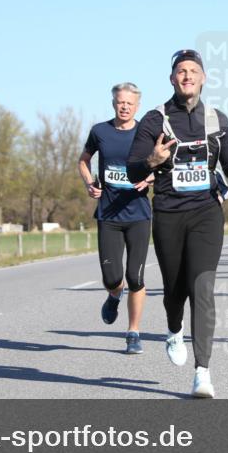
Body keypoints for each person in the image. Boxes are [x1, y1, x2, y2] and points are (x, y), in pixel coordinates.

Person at [126, 49, 228, 398]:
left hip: (205, 213)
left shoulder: (217, 120)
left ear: (203, 78)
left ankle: (203, 372)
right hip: (168, 212)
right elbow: (133, 170)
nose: (187, 76)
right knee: (174, 290)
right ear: (172, 79)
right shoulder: (154, 120)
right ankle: (173, 328)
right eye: (181, 71)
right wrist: (152, 160)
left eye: (193, 71)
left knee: (202, 288)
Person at [79, 82, 154, 355]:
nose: (124, 107)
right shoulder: (100, 131)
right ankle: (113, 295)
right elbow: (83, 160)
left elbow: (163, 165)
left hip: (139, 215)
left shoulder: (146, 134)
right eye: (120, 102)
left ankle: (133, 332)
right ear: (113, 103)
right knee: (113, 278)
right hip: (109, 215)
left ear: (137, 106)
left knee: (135, 277)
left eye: (129, 103)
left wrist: (150, 178)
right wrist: (89, 183)